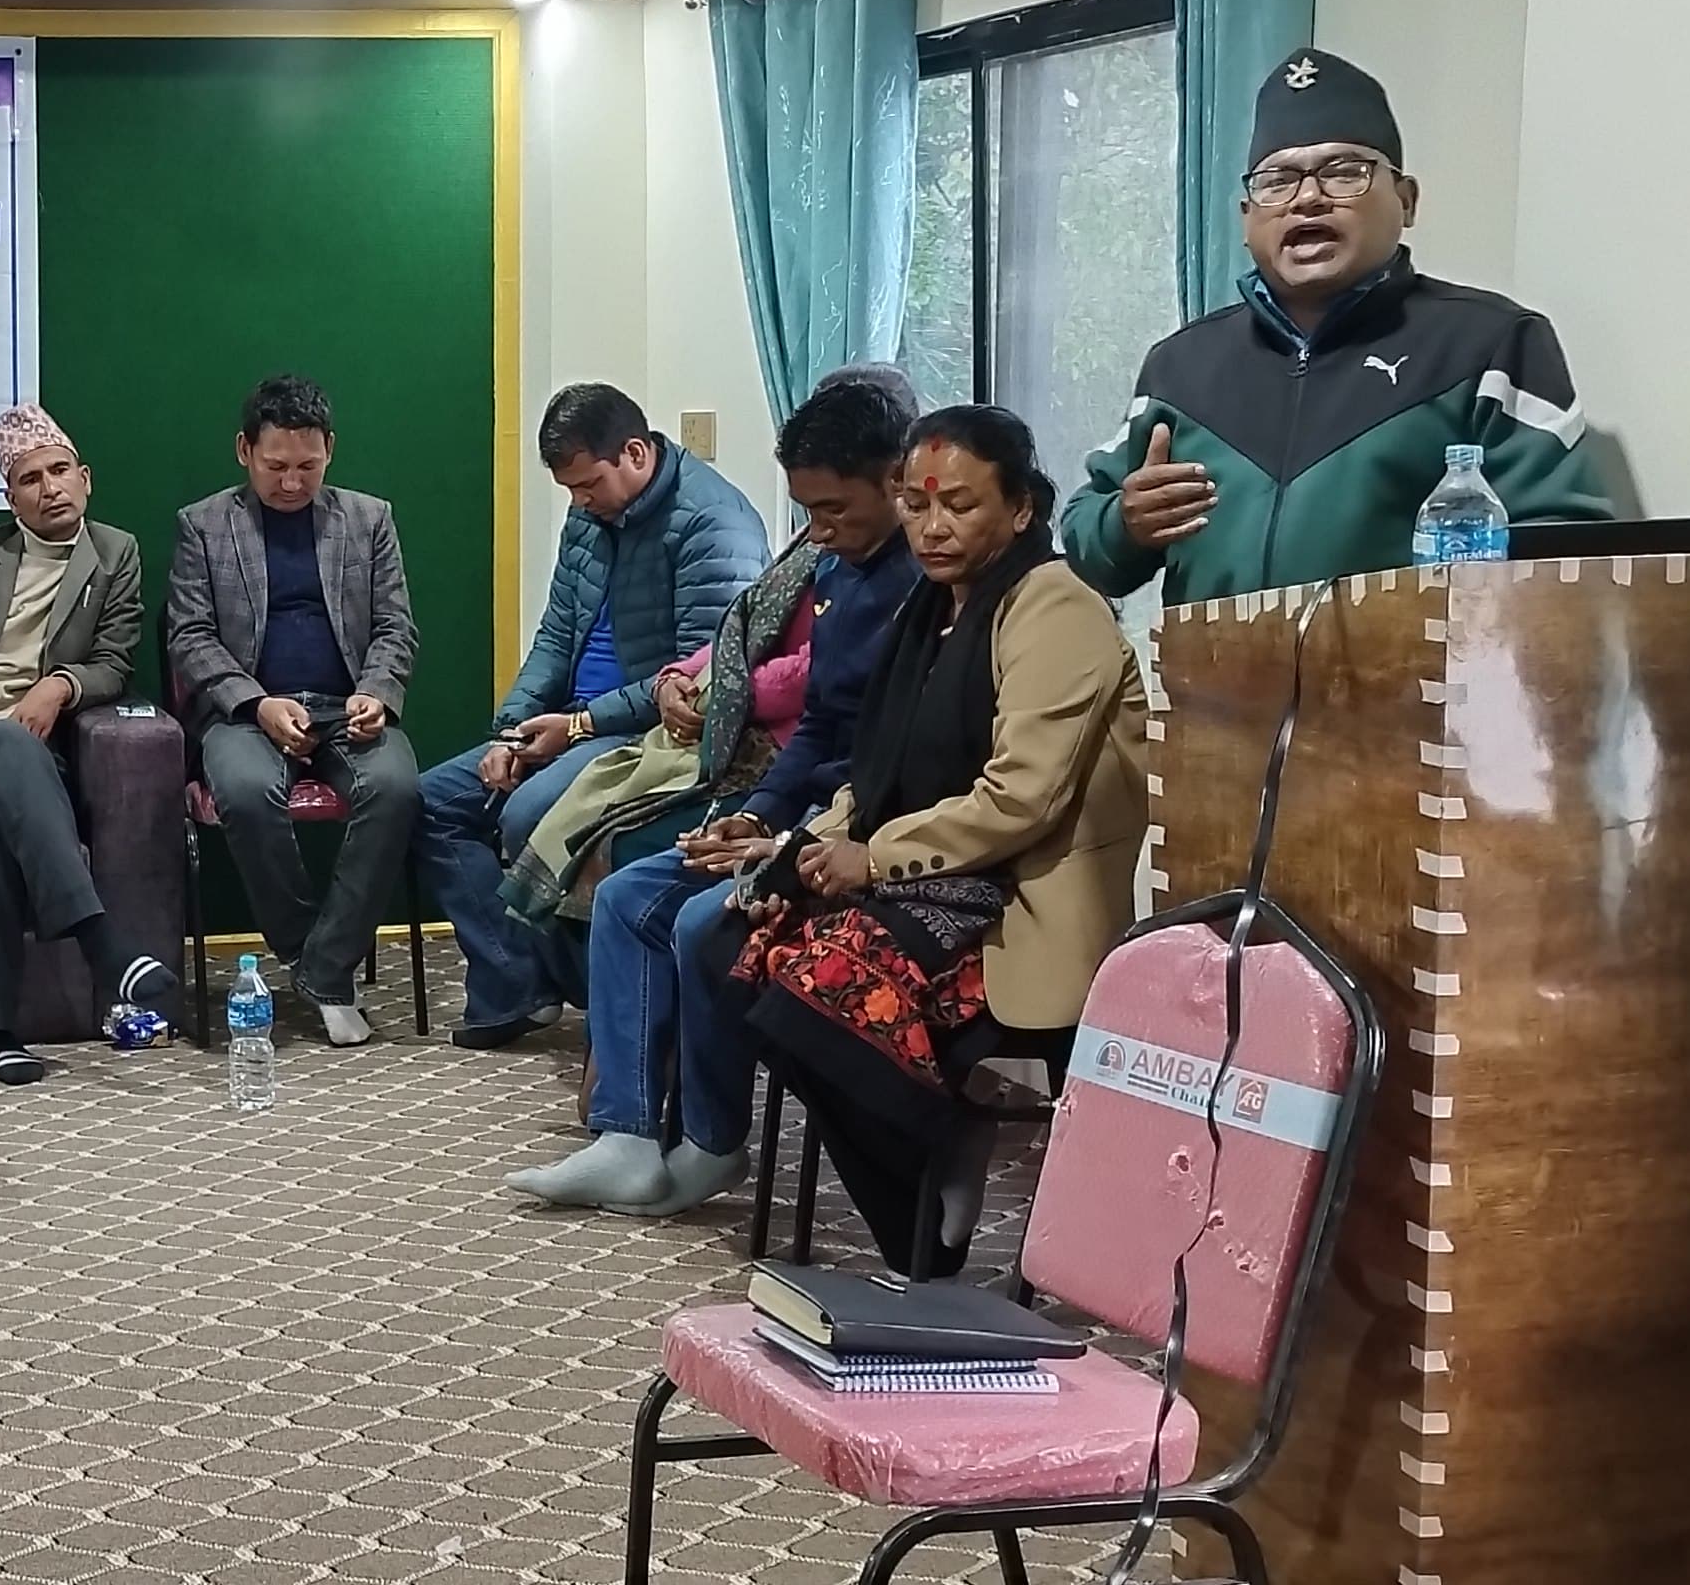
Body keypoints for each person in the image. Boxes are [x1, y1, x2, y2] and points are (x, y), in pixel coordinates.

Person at [714, 405, 1145, 1275]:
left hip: (1019, 898)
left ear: (1021, 509)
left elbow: (1020, 800)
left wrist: (871, 858)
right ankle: (924, 1188)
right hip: (933, 879)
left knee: (824, 987)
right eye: (916, 504)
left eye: (961, 504)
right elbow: (877, 777)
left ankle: (936, 1183)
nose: (932, 526)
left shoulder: (1056, 607)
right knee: (742, 941)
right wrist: (799, 848)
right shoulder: (932, 612)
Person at [509, 365, 921, 1214]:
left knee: (704, 919)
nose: (817, 531)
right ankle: (626, 1137)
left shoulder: (921, 583)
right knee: (627, 895)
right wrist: (754, 815)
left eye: (834, 511)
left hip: (864, 825)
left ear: (897, 480)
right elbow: (818, 724)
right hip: (792, 798)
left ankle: (711, 1141)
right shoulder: (836, 567)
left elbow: (891, 756)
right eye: (808, 512)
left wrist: (787, 837)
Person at [1067, 46, 1614, 605]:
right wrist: (1125, 525)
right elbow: (1086, 537)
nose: (1308, 198)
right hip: (1214, 664)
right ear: (1246, 219)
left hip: (1412, 663)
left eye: (1344, 172)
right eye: (1277, 181)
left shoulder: (1491, 344)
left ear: (1406, 201)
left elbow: (1565, 553)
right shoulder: (1180, 367)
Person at [418, 381, 767, 1047]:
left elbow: (699, 678)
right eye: (570, 490)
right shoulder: (591, 515)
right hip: (567, 724)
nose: (579, 501)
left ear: (634, 453)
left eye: (588, 485)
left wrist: (579, 727)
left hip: (646, 735)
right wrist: (510, 731)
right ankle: (518, 985)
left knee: (526, 813)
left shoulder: (714, 526)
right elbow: (556, 635)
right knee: (434, 802)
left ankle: (584, 992)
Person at [0, 407, 185, 1084]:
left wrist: (60, 685)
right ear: (10, 497)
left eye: (59, 471)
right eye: (31, 479)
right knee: (2, 747)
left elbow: (113, 661)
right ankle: (100, 942)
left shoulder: (115, 554)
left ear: (85, 478)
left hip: (20, 767)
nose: (50, 488)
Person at [163, 374, 418, 1047]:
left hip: (345, 706)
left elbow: (395, 628)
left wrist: (377, 692)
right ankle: (318, 960)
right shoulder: (204, 525)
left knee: (396, 787)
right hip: (244, 711)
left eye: (308, 465)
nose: (291, 482)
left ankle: (322, 969)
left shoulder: (369, 520)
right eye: (276, 466)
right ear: (244, 450)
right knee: (246, 792)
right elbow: (190, 637)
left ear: (330, 449)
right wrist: (255, 703)